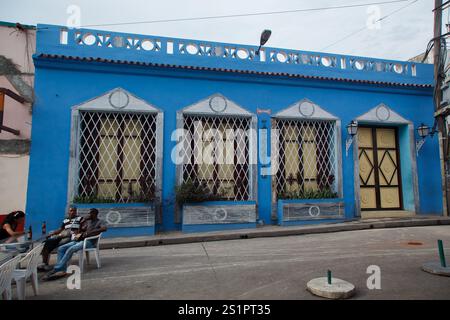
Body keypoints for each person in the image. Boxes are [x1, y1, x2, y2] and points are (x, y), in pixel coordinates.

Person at [43, 208, 107, 280]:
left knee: (71, 249)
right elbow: (80, 231)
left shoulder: (99, 221)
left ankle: (57, 269)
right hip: (80, 240)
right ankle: (62, 270)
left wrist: (90, 232)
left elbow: (104, 228)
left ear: (94, 214)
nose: (88, 215)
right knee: (61, 248)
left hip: (89, 242)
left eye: (89, 213)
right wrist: (82, 225)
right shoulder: (88, 222)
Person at [38, 206, 83, 272]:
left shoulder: (80, 219)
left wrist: (77, 234)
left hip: (71, 237)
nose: (72, 212)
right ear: (68, 212)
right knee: (47, 243)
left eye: (74, 211)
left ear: (76, 212)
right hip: (62, 235)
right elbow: (60, 229)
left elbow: (82, 228)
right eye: (71, 211)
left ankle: (57, 264)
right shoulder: (65, 220)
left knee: (57, 243)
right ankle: (45, 264)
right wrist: (52, 233)